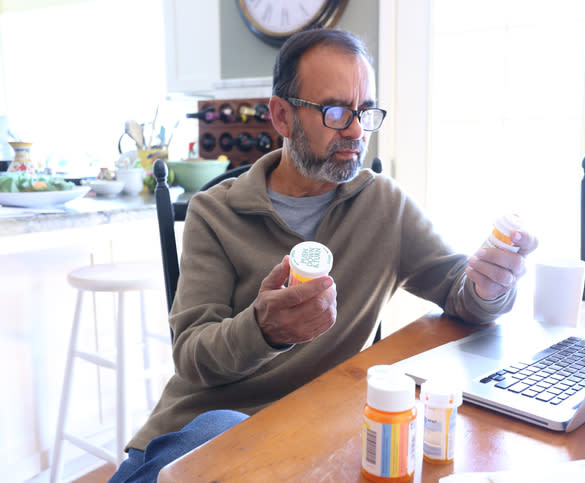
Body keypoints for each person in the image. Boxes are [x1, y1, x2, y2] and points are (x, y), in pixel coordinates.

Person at [109, 28, 537, 482]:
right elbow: (192, 356)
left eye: (364, 111)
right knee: (224, 428)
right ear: (280, 115)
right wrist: (263, 331)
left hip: (311, 437)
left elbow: (460, 292)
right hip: (202, 431)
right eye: (335, 112)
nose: (355, 130)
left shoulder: (384, 206)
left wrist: (491, 284)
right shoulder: (216, 212)